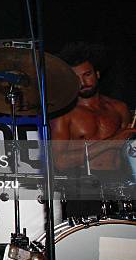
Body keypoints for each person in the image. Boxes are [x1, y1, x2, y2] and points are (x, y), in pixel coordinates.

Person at [51, 42, 134, 215]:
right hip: (84, 188)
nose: (83, 82)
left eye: (87, 74)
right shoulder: (64, 115)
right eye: (76, 78)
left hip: (121, 187)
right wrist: (112, 142)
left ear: (97, 74)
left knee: (121, 240)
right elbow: (59, 162)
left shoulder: (119, 108)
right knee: (90, 241)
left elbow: (128, 152)